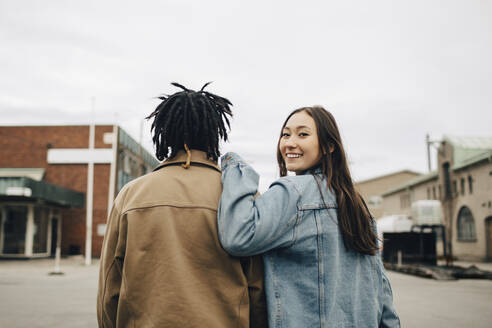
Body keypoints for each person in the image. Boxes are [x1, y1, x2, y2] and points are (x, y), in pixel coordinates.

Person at [97, 82, 267, 328]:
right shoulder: (243, 196)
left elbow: (110, 286)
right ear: (214, 133)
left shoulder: (130, 195)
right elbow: (258, 287)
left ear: (165, 132)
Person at [218, 106, 400, 327]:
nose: (289, 143)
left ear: (329, 146)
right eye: (286, 134)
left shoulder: (293, 192)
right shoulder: (356, 205)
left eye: (303, 134)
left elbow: (237, 236)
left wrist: (234, 167)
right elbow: (382, 292)